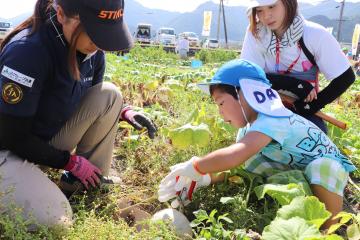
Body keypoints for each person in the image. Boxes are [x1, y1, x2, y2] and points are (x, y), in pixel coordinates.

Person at [0, 0, 156, 229]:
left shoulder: (91, 51)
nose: (98, 42)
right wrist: (69, 161)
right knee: (57, 220)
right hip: (7, 150)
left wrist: (125, 112)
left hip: (41, 145)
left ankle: (81, 184)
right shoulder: (28, 52)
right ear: (61, 14)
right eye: (92, 32)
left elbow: (92, 97)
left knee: (110, 95)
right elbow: (11, 136)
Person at [158, 59, 356, 229]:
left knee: (322, 167)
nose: (219, 112)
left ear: (244, 94)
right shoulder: (250, 128)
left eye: (221, 103)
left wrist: (197, 165)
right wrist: (205, 177)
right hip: (297, 169)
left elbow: (236, 154)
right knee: (251, 161)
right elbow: (236, 164)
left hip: (329, 171)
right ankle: (302, 206)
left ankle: (328, 228)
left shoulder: (273, 119)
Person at [240, 0, 355, 133]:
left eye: (272, 7)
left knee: (315, 145)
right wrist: (292, 84)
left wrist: (312, 106)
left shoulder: (314, 34)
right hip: (265, 104)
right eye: (259, 10)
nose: (266, 16)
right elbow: (248, 76)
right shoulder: (255, 34)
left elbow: (346, 77)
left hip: (302, 110)